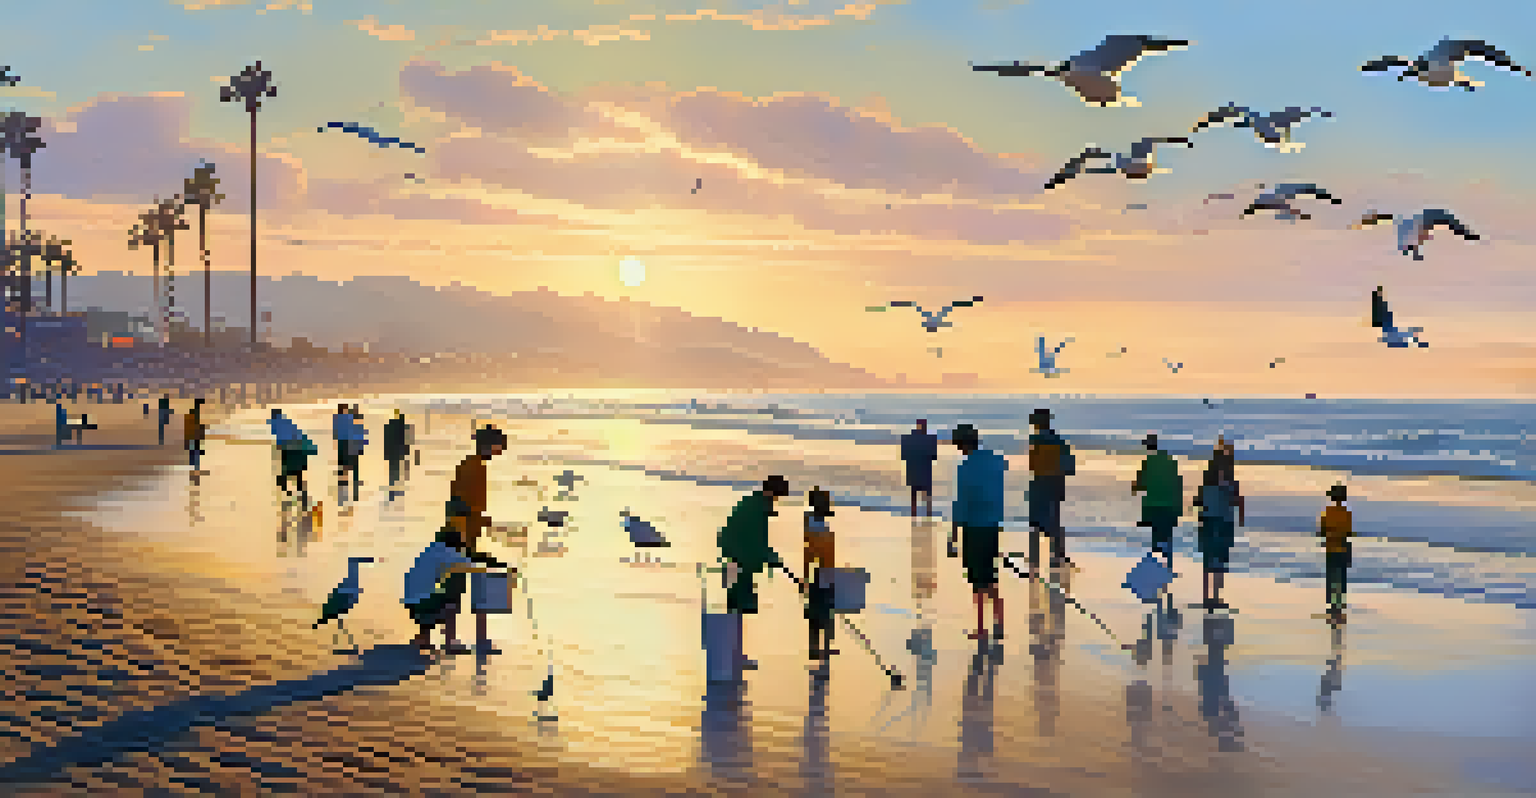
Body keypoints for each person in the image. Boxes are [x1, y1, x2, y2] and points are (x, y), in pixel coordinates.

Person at [447, 424, 514, 653]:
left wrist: (479, 519)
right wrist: (472, 521)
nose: (500, 451)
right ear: (489, 445)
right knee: (457, 586)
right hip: (460, 533)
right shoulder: (472, 467)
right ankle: (454, 638)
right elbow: (456, 502)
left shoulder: (475, 465)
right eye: (499, 446)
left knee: (472, 583)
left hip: (465, 531)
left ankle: (478, 637)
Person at [718, 475, 789, 672]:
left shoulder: (754, 504)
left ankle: (734, 653)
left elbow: (754, 540)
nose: (777, 501)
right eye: (777, 497)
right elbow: (757, 541)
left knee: (736, 609)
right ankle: (734, 655)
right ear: (771, 492)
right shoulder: (758, 509)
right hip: (738, 562)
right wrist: (769, 557)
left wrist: (768, 556)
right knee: (737, 609)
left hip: (735, 559)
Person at [402, 521, 508, 654]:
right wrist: (499, 567)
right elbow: (472, 565)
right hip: (422, 602)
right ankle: (449, 642)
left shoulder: (431, 549)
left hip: (410, 601)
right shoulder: (448, 553)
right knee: (451, 601)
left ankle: (423, 638)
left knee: (434, 592)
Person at [947, 423, 1007, 641]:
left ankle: (982, 627)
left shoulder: (966, 468)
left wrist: (953, 535)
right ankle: (999, 622)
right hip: (992, 524)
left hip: (973, 526)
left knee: (976, 578)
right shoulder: (995, 462)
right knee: (990, 574)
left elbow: (961, 503)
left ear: (962, 444)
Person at [1027, 408, 1076, 570]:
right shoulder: (1059, 441)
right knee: (1054, 519)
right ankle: (1058, 554)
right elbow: (1070, 467)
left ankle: (1034, 558)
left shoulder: (1036, 441)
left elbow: (1032, 465)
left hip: (1041, 482)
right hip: (1056, 483)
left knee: (1035, 522)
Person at [1194, 460, 1240, 609]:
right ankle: (1215, 596)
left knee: (1208, 560)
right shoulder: (1231, 485)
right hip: (1223, 523)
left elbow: (1197, 502)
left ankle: (1207, 596)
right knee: (1219, 560)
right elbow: (1236, 502)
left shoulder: (1206, 486)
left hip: (1208, 522)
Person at [1132, 434, 1183, 567]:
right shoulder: (1171, 461)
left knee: (1157, 539)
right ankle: (1167, 567)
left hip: (1153, 506)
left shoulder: (1148, 462)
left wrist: (1135, 486)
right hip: (1170, 506)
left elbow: (1140, 484)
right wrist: (1179, 509)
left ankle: (1159, 569)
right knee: (1167, 538)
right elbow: (1177, 484)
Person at [803, 487, 838, 661]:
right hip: (821, 572)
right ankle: (819, 647)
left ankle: (819, 647)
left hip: (820, 571)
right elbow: (812, 552)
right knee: (821, 612)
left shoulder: (813, 521)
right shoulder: (815, 524)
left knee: (819, 612)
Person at [269, 408, 315, 506]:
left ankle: (286, 486)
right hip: (298, 450)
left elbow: (279, 438)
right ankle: (301, 494)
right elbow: (299, 436)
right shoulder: (287, 423)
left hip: (290, 449)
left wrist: (280, 447)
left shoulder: (276, 424)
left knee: (288, 470)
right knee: (297, 473)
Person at [1320, 484, 1352, 619]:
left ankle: (1332, 604)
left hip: (1331, 548)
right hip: (1342, 548)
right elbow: (1347, 533)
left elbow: (1322, 531)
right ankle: (1339, 604)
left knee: (1331, 577)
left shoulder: (1328, 512)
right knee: (1341, 578)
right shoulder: (1346, 513)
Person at [899, 419, 939, 517]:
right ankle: (928, 514)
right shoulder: (930, 440)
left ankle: (914, 513)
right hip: (925, 471)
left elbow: (903, 456)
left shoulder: (908, 439)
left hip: (913, 471)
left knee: (914, 494)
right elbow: (934, 457)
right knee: (927, 495)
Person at [383, 409, 412, 488]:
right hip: (398, 451)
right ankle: (394, 483)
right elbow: (405, 440)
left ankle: (392, 483)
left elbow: (386, 439)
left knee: (393, 468)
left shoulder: (389, 426)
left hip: (392, 451)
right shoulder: (403, 427)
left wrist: (386, 453)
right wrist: (406, 451)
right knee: (396, 468)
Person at [184, 398, 206, 472]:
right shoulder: (195, 416)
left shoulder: (190, 416)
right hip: (194, 436)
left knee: (193, 453)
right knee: (195, 453)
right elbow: (198, 427)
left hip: (192, 436)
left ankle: (194, 468)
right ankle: (195, 468)